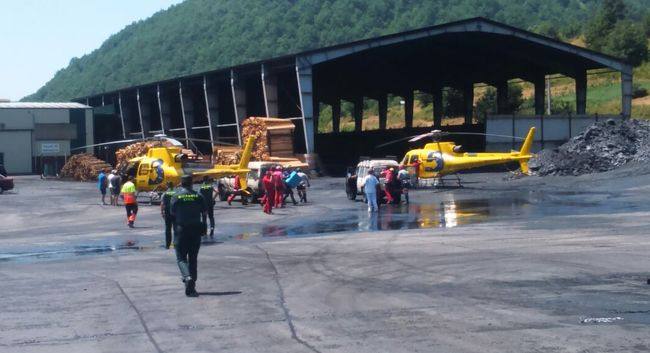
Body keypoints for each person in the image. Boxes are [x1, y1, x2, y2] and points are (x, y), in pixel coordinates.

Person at [170, 175, 207, 297]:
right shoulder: (198, 196)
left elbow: (172, 213)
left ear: (181, 183)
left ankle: (187, 277)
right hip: (195, 229)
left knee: (181, 258)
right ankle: (192, 286)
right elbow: (204, 212)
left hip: (181, 230)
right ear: (192, 183)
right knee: (193, 258)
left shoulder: (176, 196)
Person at [161, 182, 176, 249]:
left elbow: (162, 204)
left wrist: (162, 213)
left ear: (167, 186)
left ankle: (167, 244)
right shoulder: (176, 193)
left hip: (167, 213)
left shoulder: (164, 194)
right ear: (172, 186)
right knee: (176, 228)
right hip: (175, 213)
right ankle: (176, 243)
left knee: (168, 229)